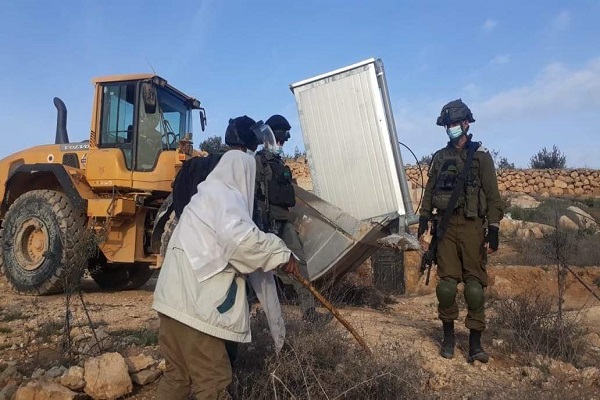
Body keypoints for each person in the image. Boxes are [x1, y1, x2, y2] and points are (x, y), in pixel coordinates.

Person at [153, 116, 299, 400]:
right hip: (196, 312)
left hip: (171, 305)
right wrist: (282, 253)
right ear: (245, 170)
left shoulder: (203, 198)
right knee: (214, 384)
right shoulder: (227, 197)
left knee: (177, 379)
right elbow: (241, 242)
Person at [417, 99, 504, 363]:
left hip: (472, 227)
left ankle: (475, 343)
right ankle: (448, 337)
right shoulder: (439, 157)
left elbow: (493, 196)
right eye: (448, 124)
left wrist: (493, 228)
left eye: (455, 123)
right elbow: (430, 191)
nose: (451, 128)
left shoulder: (481, 156)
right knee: (446, 287)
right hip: (445, 228)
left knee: (474, 289)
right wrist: (423, 218)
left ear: (466, 123)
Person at [254, 114, 331, 324]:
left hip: (283, 220)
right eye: (279, 141)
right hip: (265, 222)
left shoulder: (279, 163)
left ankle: (309, 312)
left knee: (299, 261)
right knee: (257, 267)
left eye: (282, 142)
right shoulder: (258, 162)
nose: (281, 145)